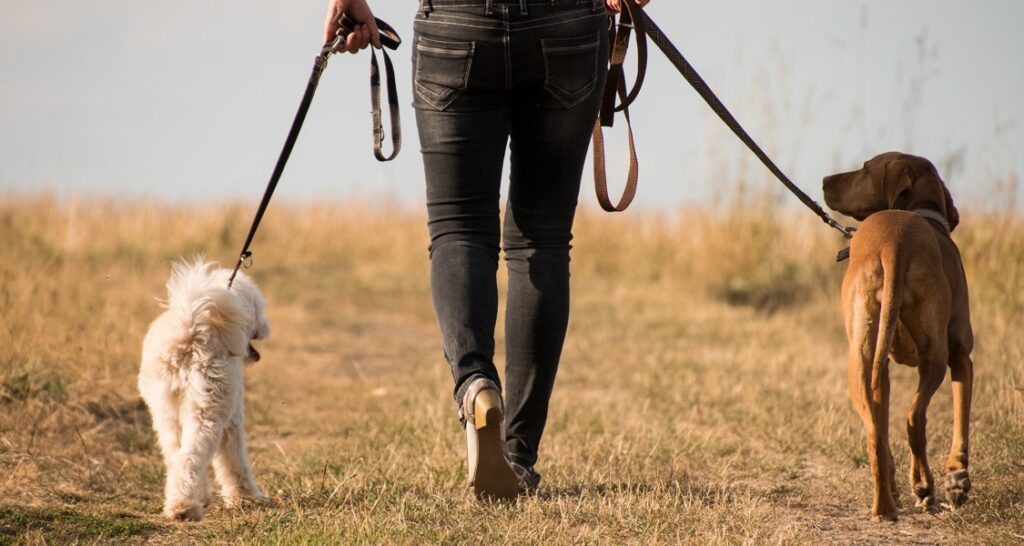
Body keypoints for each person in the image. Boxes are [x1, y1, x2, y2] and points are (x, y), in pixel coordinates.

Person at [323, 0, 650, 501]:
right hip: (566, 27)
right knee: (540, 239)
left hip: (454, 26)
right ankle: (516, 455)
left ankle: (476, 384)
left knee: (459, 227)